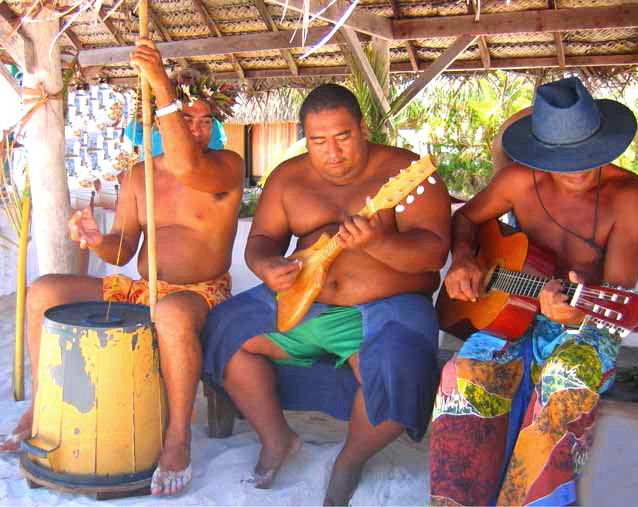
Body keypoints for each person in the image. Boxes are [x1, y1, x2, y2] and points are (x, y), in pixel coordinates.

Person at [0, 39, 243, 496]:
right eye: (185, 118)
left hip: (201, 295)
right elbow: (123, 252)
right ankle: (37, 408)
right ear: (155, 120)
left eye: (203, 121)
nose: (194, 129)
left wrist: (161, 85)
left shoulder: (226, 167)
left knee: (169, 312)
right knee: (45, 289)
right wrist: (97, 239)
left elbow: (188, 169)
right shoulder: (138, 175)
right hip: (141, 289)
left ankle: (177, 438)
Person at [201, 83, 451, 504]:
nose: (332, 152)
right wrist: (267, 267)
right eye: (318, 140)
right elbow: (261, 240)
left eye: (343, 137)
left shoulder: (408, 173)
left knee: (400, 363)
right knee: (224, 329)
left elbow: (432, 253)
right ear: (305, 137)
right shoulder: (288, 178)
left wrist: (375, 242)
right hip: (303, 303)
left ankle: (350, 459)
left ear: (362, 128)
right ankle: (277, 439)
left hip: (386, 308)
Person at [429, 76, 638, 506]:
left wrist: (577, 314)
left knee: (562, 381)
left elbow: (617, 292)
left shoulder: (629, 196)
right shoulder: (518, 181)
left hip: (586, 319)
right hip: (512, 312)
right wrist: (463, 259)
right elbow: (467, 219)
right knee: (462, 371)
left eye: (588, 154)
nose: (578, 167)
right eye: (563, 157)